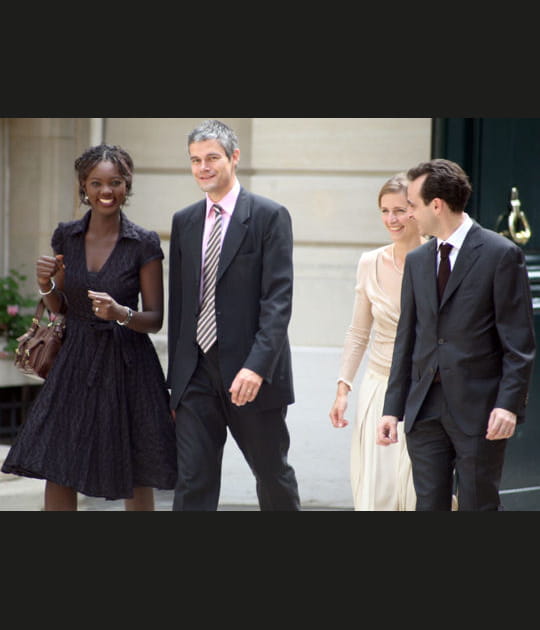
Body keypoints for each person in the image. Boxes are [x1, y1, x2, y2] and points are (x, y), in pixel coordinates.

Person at [2, 143, 177, 510]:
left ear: (127, 185)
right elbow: (61, 308)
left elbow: (155, 319)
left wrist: (120, 314)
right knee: (60, 462)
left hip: (128, 363)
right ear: (83, 186)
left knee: (135, 467)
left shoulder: (143, 243)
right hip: (76, 359)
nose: (106, 191)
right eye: (96, 183)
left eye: (115, 182)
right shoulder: (66, 236)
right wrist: (47, 284)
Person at [377, 158, 535, 511]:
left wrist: (507, 405)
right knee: (428, 506)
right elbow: (408, 338)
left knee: (478, 505)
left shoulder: (501, 254)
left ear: (437, 205)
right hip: (425, 410)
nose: (409, 215)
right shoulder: (418, 260)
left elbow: (519, 345)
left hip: (479, 411)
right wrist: (393, 408)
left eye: (413, 206)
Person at [167, 119, 300, 511]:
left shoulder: (269, 216)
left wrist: (257, 368)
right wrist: (177, 382)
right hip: (195, 376)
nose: (202, 168)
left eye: (211, 158)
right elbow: (179, 308)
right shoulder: (184, 221)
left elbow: (278, 301)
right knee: (192, 481)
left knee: (271, 475)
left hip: (250, 374)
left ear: (234, 157)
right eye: (195, 160)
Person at [329, 173, 424, 510]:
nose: (391, 219)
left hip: (424, 390)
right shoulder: (370, 263)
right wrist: (344, 387)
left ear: (418, 211)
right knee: (378, 491)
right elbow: (358, 332)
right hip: (378, 388)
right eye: (384, 211)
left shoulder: (438, 261)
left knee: (416, 492)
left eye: (399, 210)